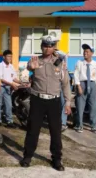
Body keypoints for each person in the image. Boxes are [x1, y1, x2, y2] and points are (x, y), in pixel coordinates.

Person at [20, 35, 71, 171]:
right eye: (45, 45)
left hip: (54, 101)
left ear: (54, 47)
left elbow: (65, 84)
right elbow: (24, 75)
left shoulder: (60, 63)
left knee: (55, 131)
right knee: (32, 130)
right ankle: (27, 156)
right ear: (41, 47)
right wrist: (30, 68)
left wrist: (67, 102)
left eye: (50, 46)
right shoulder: (35, 60)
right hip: (37, 100)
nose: (47, 48)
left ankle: (57, 159)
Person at [73, 44, 96, 134]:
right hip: (82, 84)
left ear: (92, 53)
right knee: (80, 106)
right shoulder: (79, 62)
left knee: (93, 106)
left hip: (92, 85)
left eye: (87, 51)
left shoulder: (95, 63)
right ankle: (79, 125)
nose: (85, 53)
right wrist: (78, 86)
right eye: (84, 51)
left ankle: (94, 126)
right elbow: (76, 75)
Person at [0, 50, 20, 128]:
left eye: (11, 56)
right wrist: (12, 84)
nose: (10, 58)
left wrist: (21, 82)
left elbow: (14, 78)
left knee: (8, 105)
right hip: (0, 87)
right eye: (8, 56)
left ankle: (9, 121)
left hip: (8, 87)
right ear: (4, 57)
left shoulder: (11, 66)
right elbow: (1, 79)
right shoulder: (0, 66)